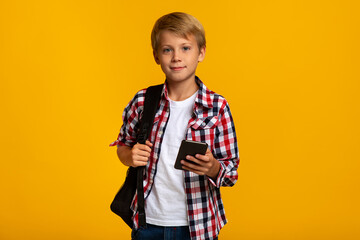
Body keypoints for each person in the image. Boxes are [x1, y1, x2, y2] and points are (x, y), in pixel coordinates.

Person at [110, 12, 239, 240]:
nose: (176, 57)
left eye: (185, 48)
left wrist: (212, 167)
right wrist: (129, 156)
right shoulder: (143, 101)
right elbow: (123, 145)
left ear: (201, 52)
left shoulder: (217, 106)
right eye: (167, 49)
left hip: (198, 225)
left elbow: (231, 173)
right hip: (148, 222)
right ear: (156, 56)